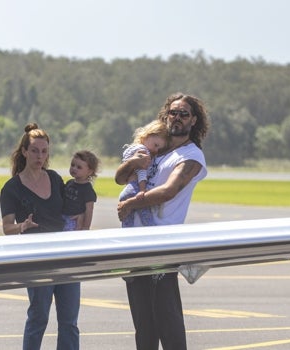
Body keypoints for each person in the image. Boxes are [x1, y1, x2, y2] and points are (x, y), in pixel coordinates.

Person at [115, 92, 209, 350]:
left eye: (184, 114)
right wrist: (133, 161)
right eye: (173, 112)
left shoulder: (191, 156)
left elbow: (169, 191)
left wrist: (131, 203)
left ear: (193, 121)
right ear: (166, 115)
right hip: (135, 244)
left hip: (162, 245)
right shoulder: (155, 149)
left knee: (167, 322)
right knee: (143, 325)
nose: (177, 118)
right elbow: (121, 178)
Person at [0, 122, 80, 350]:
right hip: (36, 258)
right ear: (24, 151)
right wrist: (22, 226)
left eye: (44, 151)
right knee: (38, 318)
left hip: (65, 256)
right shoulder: (12, 188)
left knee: (69, 322)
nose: (40, 156)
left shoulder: (55, 179)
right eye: (34, 150)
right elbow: (7, 227)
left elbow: (69, 211)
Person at [119, 120, 169, 228]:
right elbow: (141, 171)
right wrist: (142, 190)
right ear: (147, 136)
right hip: (135, 190)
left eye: (159, 149)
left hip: (127, 189)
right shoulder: (143, 151)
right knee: (147, 220)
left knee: (128, 224)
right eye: (155, 145)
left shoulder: (133, 148)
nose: (156, 150)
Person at [62, 150, 99, 231]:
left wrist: (86, 227)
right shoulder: (69, 183)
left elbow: (89, 210)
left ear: (89, 171)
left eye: (79, 167)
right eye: (72, 165)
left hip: (74, 220)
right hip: (62, 217)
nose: (74, 168)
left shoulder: (87, 189)